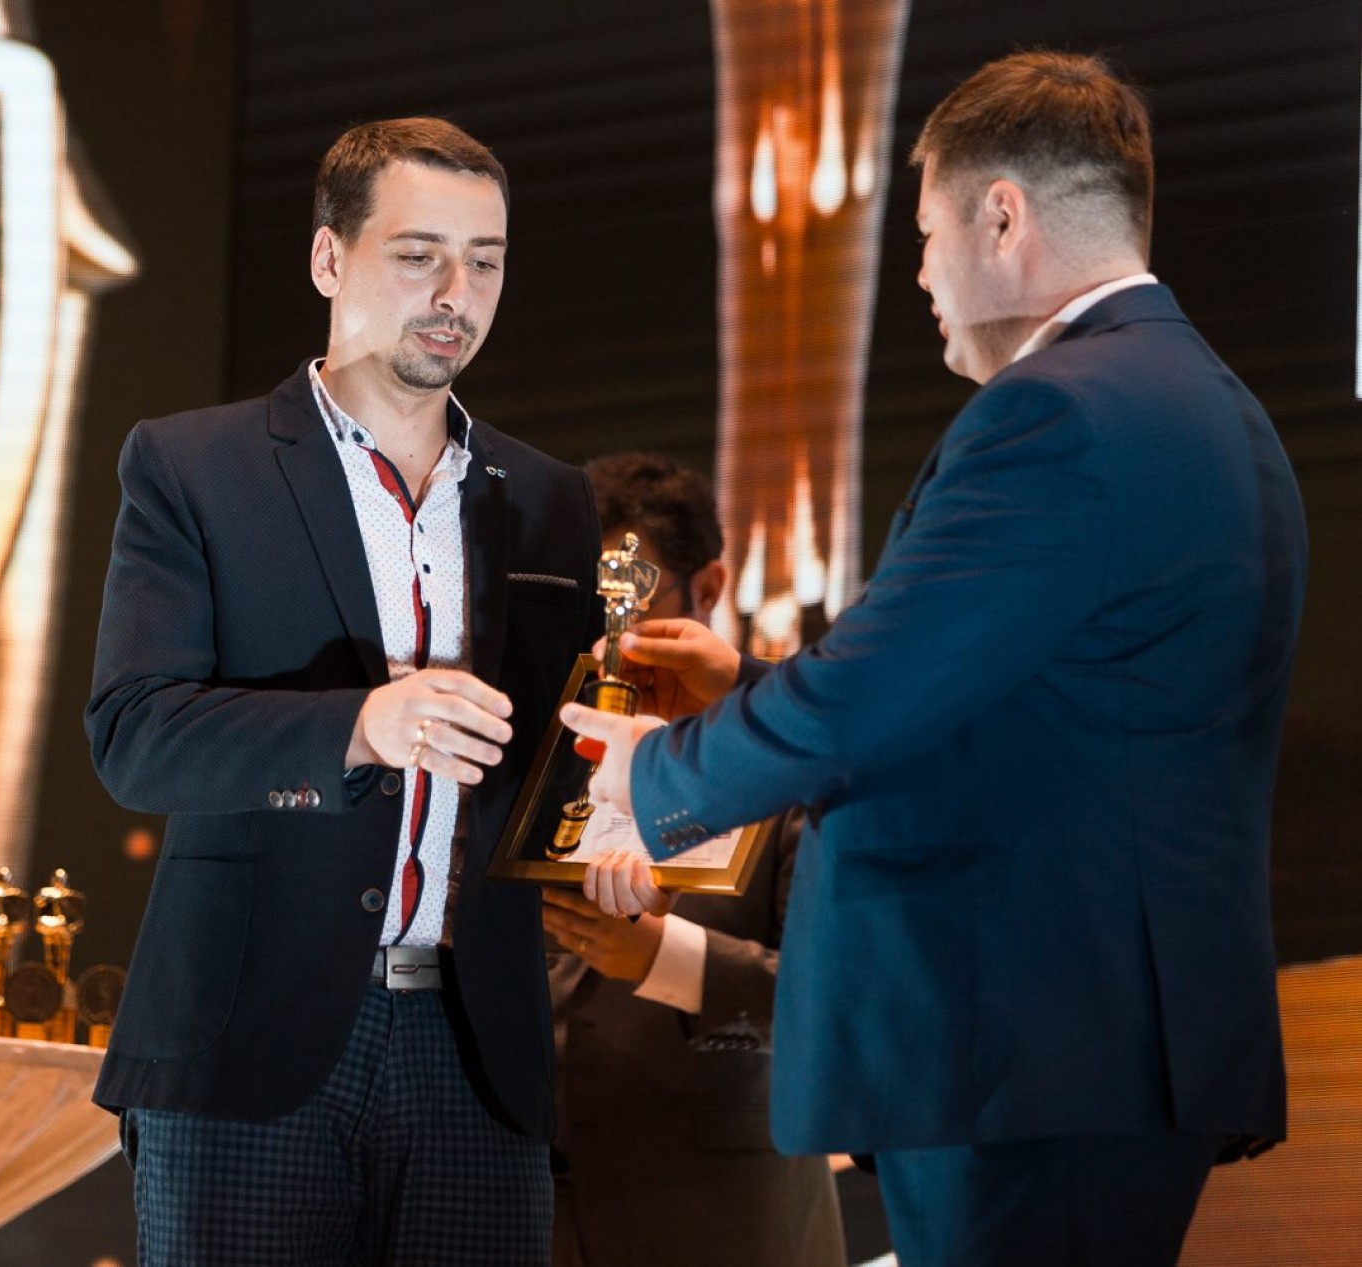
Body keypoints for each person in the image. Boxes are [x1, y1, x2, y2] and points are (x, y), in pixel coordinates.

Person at [562, 51, 1308, 1267]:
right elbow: (988, 694)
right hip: (1090, 1040)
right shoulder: (1195, 397)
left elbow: (868, 695)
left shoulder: (1057, 412)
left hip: (1026, 1041)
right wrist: (745, 685)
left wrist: (645, 776)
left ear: (1001, 217)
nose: (917, 273)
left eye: (923, 234)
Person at [85, 117, 602, 1267]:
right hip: (247, 1045)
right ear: (329, 258)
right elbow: (135, 735)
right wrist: (362, 725)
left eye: (485, 261)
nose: (455, 294)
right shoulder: (193, 465)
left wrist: (617, 813)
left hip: (480, 1054)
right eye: (418, 255)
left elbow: (555, 757)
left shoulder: (549, 499)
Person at [542, 453, 846, 1267]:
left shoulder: (790, 751)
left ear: (707, 588)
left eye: (627, 603)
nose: (605, 636)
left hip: (724, 1214)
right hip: (535, 1207)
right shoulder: (544, 747)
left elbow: (838, 984)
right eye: (584, 605)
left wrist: (662, 957)